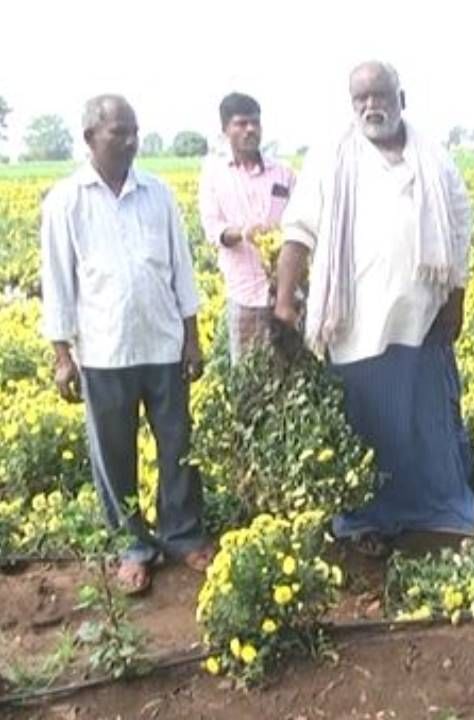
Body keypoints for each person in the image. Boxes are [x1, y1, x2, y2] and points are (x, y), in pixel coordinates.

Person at [275, 61, 474, 556]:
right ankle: (367, 519)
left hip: (423, 317)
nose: (371, 106)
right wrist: (283, 302)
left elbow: (458, 231)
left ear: (400, 98)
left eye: (380, 95)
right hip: (354, 321)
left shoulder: (434, 157)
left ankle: (433, 512)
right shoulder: (331, 158)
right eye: (360, 98)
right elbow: (298, 232)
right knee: (366, 421)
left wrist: (456, 300)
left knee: (425, 420)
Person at [40, 94, 210, 593]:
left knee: (178, 446)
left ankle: (182, 533)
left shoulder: (157, 194)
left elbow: (182, 267)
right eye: (119, 131)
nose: (131, 139)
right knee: (114, 454)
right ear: (90, 137)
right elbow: (58, 281)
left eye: (134, 130)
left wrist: (192, 337)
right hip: (105, 350)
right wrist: (62, 356)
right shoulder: (66, 200)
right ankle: (134, 545)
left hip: (163, 341)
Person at [198, 92, 296, 362]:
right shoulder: (214, 175)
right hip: (245, 297)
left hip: (287, 296)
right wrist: (242, 233)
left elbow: (302, 225)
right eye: (241, 124)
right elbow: (212, 229)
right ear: (225, 130)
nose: (250, 130)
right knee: (249, 384)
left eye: (255, 123)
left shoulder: (283, 173)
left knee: (293, 375)